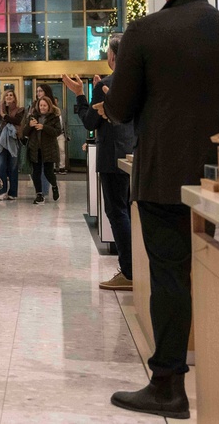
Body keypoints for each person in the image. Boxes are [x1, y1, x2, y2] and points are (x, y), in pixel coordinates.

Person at [96, 0, 219, 419]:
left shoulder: (145, 31)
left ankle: (168, 384)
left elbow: (120, 108)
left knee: (171, 276)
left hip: (165, 176)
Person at [63, 34, 137, 292]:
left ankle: (129, 271)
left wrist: (80, 95)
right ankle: (136, 267)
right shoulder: (137, 83)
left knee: (117, 212)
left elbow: (89, 123)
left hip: (111, 157)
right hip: (133, 153)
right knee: (130, 211)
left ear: (113, 57)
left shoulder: (106, 84)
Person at [23, 95, 61, 204]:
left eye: (44, 105)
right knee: (36, 172)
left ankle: (54, 186)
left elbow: (57, 132)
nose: (42, 108)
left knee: (49, 172)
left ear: (49, 106)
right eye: (40, 105)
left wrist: (44, 127)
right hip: (35, 149)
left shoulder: (54, 117)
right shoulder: (32, 116)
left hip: (49, 149)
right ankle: (39, 194)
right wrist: (30, 126)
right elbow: (25, 133)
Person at [0, 89, 25, 201]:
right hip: (0, 142)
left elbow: (17, 120)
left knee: (13, 168)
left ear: (14, 97)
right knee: (1, 166)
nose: (8, 97)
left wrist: (4, 116)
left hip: (14, 141)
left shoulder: (20, 110)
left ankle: (13, 192)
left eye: (11, 95)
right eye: (6, 95)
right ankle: (1, 191)